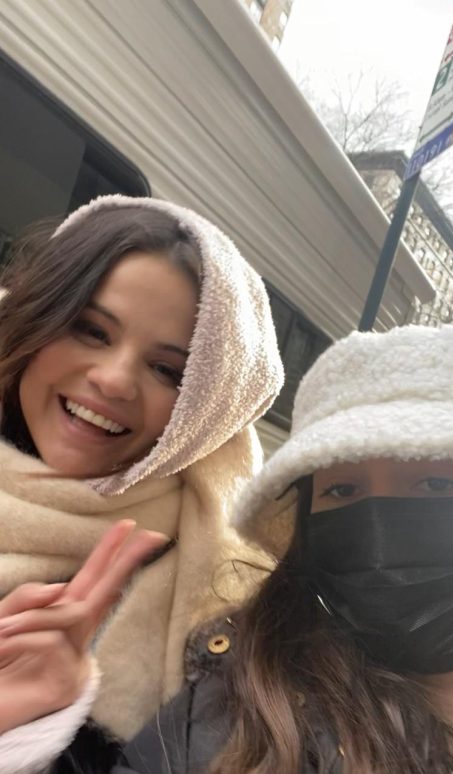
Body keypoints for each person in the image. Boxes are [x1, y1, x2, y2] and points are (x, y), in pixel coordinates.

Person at [8, 322, 453, 774]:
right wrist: (20, 737)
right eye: (343, 490)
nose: (379, 528)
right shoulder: (236, 708)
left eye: (436, 483)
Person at [0, 194, 283, 764]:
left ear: (207, 411)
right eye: (91, 330)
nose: (113, 380)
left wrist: (33, 731)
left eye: (167, 371)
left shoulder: (227, 605)